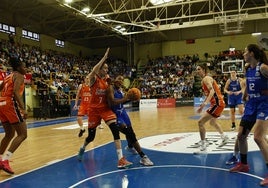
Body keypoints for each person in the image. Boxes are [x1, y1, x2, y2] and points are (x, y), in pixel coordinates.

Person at [77, 48, 132, 169]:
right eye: (104, 68)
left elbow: (113, 88)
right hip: (94, 110)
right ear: (100, 69)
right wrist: (104, 58)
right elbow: (93, 70)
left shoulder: (107, 80)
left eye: (107, 68)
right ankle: (82, 148)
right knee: (91, 137)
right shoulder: (93, 79)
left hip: (105, 109)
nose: (107, 70)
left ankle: (120, 160)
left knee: (115, 130)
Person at [228, 44, 268, 186]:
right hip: (251, 104)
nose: (243, 53)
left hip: (264, 104)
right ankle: (243, 164)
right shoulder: (247, 69)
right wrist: (245, 96)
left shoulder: (263, 68)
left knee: (258, 137)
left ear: (251, 53)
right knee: (241, 136)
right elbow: (248, 85)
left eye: (245, 51)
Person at [106, 75, 154, 166]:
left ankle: (130, 146)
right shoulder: (110, 89)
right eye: (119, 78)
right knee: (129, 133)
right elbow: (111, 103)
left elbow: (122, 101)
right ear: (115, 80)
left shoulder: (120, 90)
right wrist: (125, 98)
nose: (121, 81)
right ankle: (143, 157)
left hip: (123, 113)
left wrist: (131, 99)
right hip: (115, 115)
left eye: (122, 80)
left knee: (131, 132)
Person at [0, 56, 28, 174]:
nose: (25, 68)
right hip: (10, 103)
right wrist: (23, 108)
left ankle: (0, 158)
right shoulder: (19, 76)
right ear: (18, 67)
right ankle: (5, 160)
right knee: (22, 134)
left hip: (1, 103)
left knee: (9, 134)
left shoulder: (8, 76)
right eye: (23, 66)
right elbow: (16, 92)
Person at [194, 63, 228, 154]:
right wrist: (203, 105)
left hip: (217, 103)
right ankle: (224, 137)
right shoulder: (204, 80)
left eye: (199, 69)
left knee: (200, 122)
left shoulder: (206, 78)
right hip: (219, 103)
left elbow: (212, 91)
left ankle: (203, 147)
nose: (197, 71)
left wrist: (205, 103)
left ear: (204, 70)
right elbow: (210, 93)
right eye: (197, 69)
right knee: (212, 122)